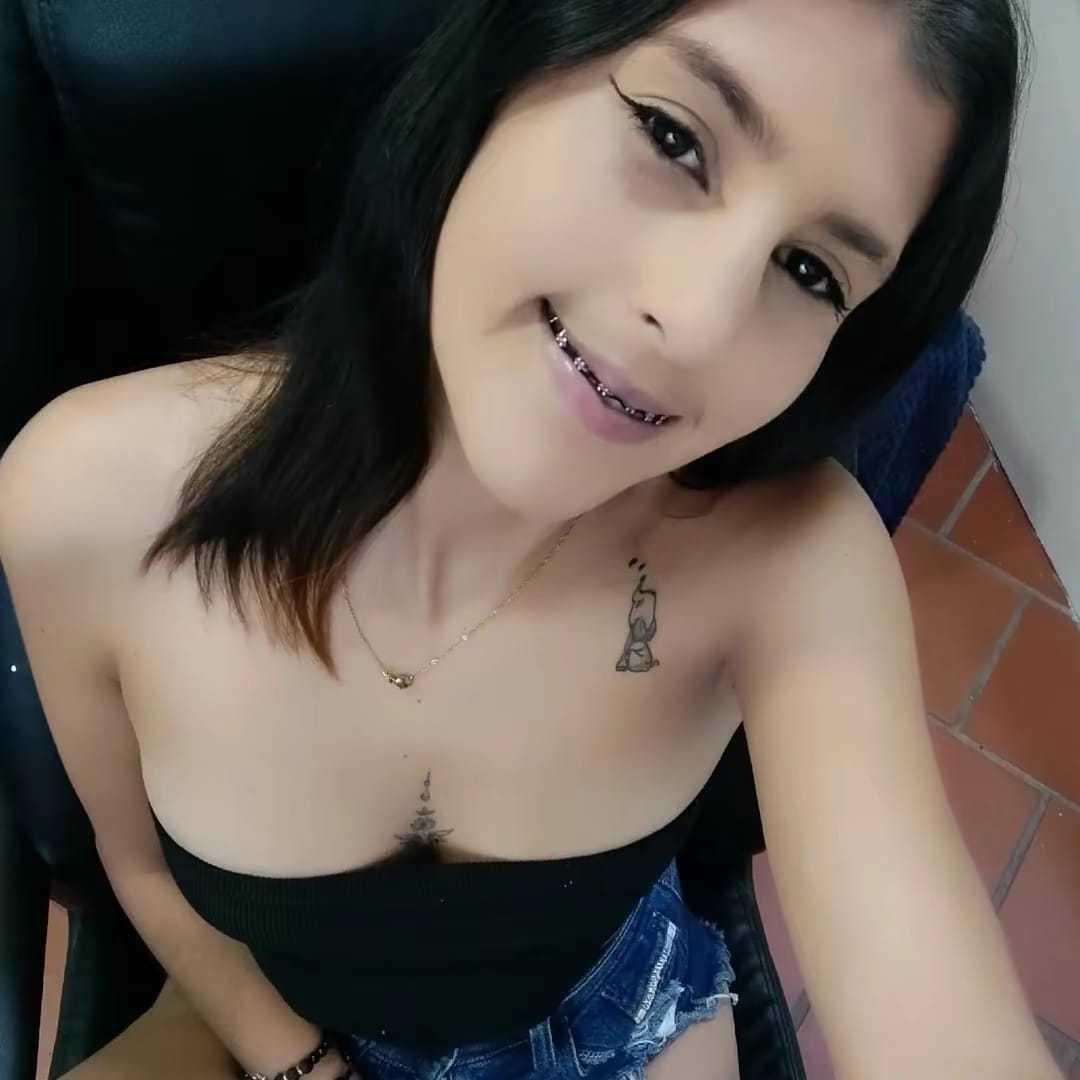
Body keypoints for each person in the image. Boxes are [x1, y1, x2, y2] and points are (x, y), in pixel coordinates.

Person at [0, 0, 1061, 1077]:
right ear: (508, 62)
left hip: (624, 1020)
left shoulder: (793, 563)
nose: (699, 323)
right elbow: (138, 872)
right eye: (674, 137)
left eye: (811, 272)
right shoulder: (86, 502)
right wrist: (302, 1065)